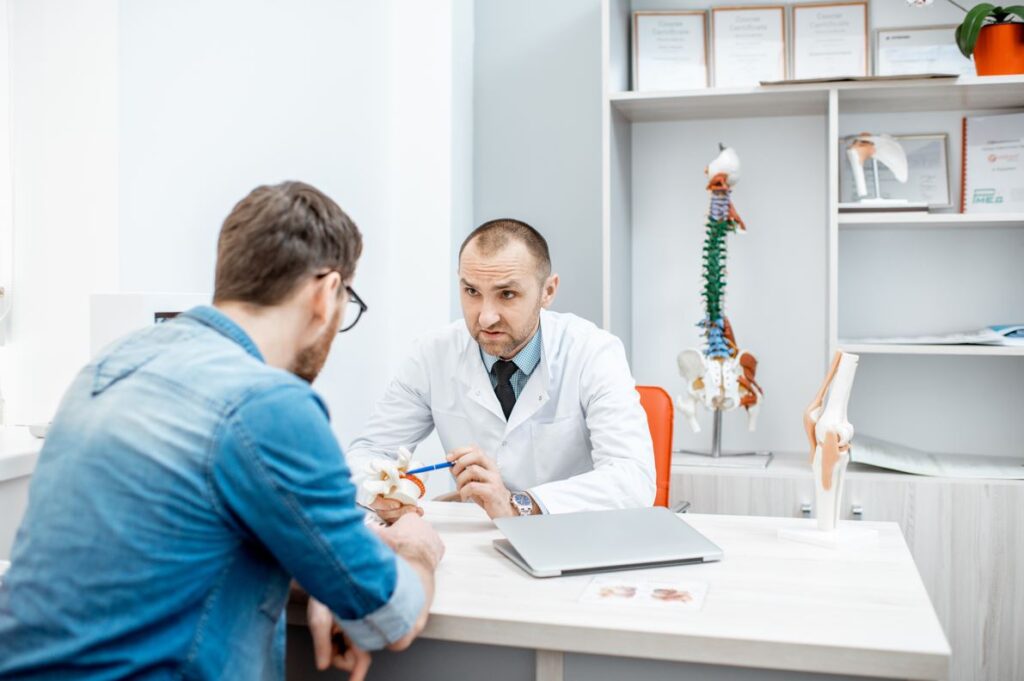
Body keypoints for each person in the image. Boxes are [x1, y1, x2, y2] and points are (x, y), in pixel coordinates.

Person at [0, 182, 443, 680]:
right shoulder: (271, 404)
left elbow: (173, 553)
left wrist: (326, 576)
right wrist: (416, 546)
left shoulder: (110, 365)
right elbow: (394, 618)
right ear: (327, 294)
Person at [348, 219, 655, 522]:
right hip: (477, 541)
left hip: (574, 539)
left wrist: (518, 504)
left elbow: (633, 479)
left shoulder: (592, 352)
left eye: (507, 294)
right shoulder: (431, 355)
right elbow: (369, 452)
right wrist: (382, 492)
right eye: (471, 291)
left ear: (548, 291)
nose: (485, 318)